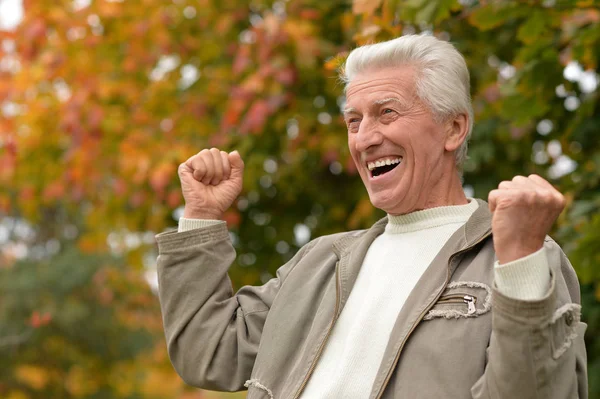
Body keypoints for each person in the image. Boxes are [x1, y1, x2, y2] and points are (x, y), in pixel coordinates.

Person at [156, 34, 588, 398]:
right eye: (353, 121)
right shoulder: (321, 262)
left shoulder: (519, 255)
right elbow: (208, 352)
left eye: (387, 112)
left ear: (454, 129)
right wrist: (201, 216)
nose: (365, 139)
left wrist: (521, 262)